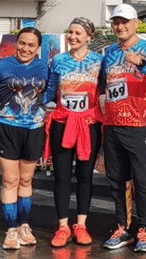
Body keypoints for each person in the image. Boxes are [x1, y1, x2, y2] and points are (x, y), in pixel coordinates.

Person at [101, 4, 146, 252]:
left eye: (124, 21)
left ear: (136, 23)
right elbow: (102, 87)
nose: (120, 26)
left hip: (138, 125)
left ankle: (144, 231)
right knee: (117, 181)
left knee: (142, 180)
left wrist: (141, 63)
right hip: (113, 125)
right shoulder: (109, 52)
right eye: (116, 22)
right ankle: (123, 228)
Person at [0, 27, 48, 250]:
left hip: (34, 129)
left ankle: (24, 225)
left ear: (38, 48)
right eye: (22, 43)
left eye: (31, 45)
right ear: (16, 43)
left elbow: (53, 95)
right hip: (6, 129)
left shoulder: (45, 67)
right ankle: (11, 229)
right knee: (10, 181)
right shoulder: (1, 66)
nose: (26, 48)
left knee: (26, 181)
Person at [43, 18, 104, 247]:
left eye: (79, 33)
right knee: (61, 175)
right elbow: (50, 90)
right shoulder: (58, 60)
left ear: (89, 36)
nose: (73, 36)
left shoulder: (99, 61)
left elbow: (105, 88)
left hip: (89, 123)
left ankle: (81, 226)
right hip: (62, 121)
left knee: (85, 176)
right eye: (70, 32)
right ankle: (62, 227)